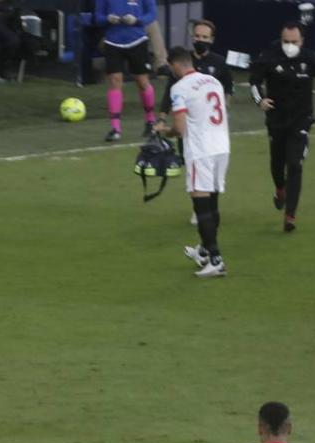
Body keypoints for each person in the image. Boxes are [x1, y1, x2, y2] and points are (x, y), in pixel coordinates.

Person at [249, 22, 315, 232]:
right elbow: (254, 82)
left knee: (295, 164)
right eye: (286, 42)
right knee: (277, 163)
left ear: (301, 41)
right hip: (277, 121)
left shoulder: (310, 58)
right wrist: (260, 101)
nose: (289, 45)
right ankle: (280, 189)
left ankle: (290, 216)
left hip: (301, 120)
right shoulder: (269, 57)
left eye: (293, 42)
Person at [159, 46, 230, 279]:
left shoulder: (179, 88)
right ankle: (203, 251)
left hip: (200, 151)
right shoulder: (212, 81)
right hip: (222, 147)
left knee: (201, 207)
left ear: (175, 65)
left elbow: (179, 129)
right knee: (213, 204)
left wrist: (164, 131)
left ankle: (216, 260)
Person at [95, 0, 158, 142]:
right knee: (114, 81)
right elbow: (97, 17)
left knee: (142, 81)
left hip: (137, 40)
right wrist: (108, 19)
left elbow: (152, 14)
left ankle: (150, 120)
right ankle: (115, 128)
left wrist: (137, 20)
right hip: (113, 42)